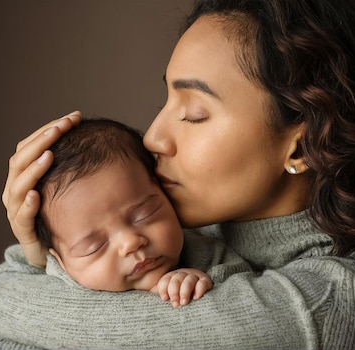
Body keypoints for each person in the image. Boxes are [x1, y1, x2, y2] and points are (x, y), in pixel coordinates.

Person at [0, 0, 355, 350]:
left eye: (194, 112)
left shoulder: (330, 307)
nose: (152, 137)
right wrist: (47, 248)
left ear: (303, 143)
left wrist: (28, 267)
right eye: (166, 98)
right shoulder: (183, 238)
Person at [31, 117, 227, 305]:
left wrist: (200, 281)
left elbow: (238, 277)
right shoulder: (53, 285)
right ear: (61, 264)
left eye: (145, 215)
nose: (130, 243)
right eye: (94, 246)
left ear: (164, 192)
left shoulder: (208, 251)